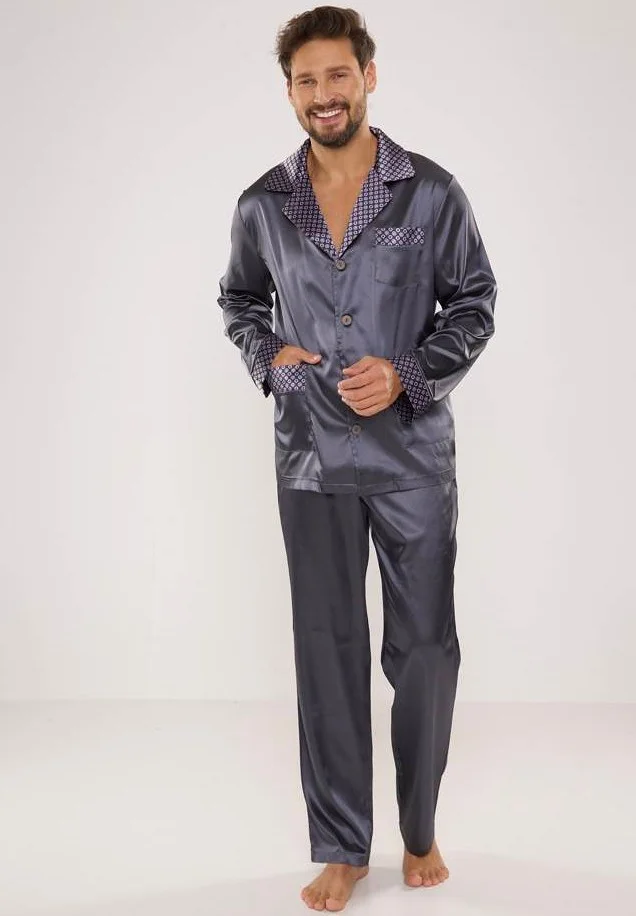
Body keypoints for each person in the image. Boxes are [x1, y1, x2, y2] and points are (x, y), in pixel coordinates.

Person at [217, 6, 497, 911]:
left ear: (368, 77)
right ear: (290, 92)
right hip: (312, 459)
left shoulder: (431, 193)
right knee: (327, 648)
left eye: (337, 75)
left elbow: (476, 302)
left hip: (412, 457)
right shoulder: (263, 204)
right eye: (306, 81)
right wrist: (272, 358)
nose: (323, 94)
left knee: (425, 651)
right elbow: (239, 301)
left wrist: (408, 371)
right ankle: (342, 846)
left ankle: (418, 828)